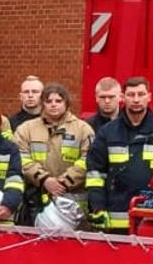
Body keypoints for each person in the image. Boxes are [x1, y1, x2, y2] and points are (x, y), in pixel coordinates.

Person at [85, 76, 153, 233]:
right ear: (123, 97)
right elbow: (95, 174)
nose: (136, 99)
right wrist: (97, 207)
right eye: (131, 94)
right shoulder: (107, 132)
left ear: (149, 97)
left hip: (152, 215)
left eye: (141, 94)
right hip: (115, 217)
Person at [12, 82, 96, 224]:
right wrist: (44, 180)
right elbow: (20, 157)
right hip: (35, 200)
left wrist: (63, 183)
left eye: (58, 101)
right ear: (42, 103)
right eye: (48, 101)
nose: (53, 104)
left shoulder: (83, 129)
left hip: (72, 201)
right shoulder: (26, 129)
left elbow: (88, 159)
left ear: (66, 103)